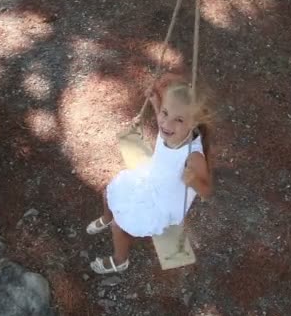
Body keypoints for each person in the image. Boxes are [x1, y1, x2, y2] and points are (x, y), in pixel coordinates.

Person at [86, 74, 214, 274]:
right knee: (107, 193)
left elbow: (206, 191)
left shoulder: (193, 156)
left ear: (193, 123)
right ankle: (107, 217)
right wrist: (155, 103)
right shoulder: (169, 128)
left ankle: (120, 260)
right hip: (151, 179)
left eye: (178, 119)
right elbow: (163, 121)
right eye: (165, 113)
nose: (166, 124)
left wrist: (193, 180)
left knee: (119, 227)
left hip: (164, 202)